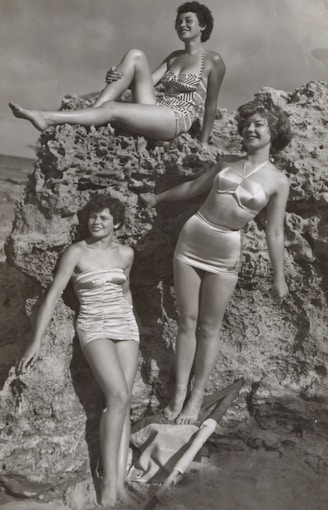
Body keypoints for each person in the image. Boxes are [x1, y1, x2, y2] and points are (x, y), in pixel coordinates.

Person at [140, 98, 292, 425]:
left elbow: (275, 232)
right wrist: (157, 198)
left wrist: (279, 277)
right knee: (186, 322)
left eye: (258, 125)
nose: (250, 129)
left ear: (274, 131)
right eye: (247, 123)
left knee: (209, 327)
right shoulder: (226, 162)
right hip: (192, 238)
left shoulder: (278, 181)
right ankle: (178, 394)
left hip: (225, 250)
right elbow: (194, 188)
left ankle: (196, 397)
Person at [17, 193, 139, 508]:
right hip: (94, 325)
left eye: (104, 218)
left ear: (118, 224)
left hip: (125, 326)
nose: (96, 222)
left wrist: (131, 320)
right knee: (118, 397)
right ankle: (108, 488)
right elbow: (53, 294)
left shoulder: (126, 254)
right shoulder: (76, 252)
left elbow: (125, 292)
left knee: (125, 402)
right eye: (93, 217)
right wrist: (36, 340)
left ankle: (121, 481)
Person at [9, 2, 224, 143]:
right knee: (136, 54)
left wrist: (203, 143)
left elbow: (210, 105)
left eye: (188, 21)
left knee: (113, 109)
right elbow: (146, 82)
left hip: (176, 119)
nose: (181, 25)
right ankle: (94, 112)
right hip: (157, 109)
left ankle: (47, 117)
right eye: (178, 22)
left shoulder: (213, 60)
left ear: (203, 26)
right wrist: (117, 77)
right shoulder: (174, 57)